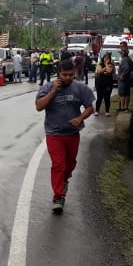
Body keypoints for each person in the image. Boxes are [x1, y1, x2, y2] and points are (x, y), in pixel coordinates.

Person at [35, 58, 95, 213]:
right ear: (58, 73)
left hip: (72, 134)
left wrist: (80, 118)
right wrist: (53, 91)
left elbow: (90, 108)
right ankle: (58, 197)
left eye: (71, 74)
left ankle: (64, 180)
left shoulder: (80, 88)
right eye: (65, 75)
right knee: (58, 165)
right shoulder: (47, 87)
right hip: (54, 134)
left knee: (69, 164)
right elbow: (39, 106)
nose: (68, 77)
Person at [93, 52, 116, 116]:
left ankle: (107, 111)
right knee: (99, 98)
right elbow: (99, 71)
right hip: (100, 83)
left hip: (108, 84)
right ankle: (97, 111)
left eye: (108, 58)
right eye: (105, 58)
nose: (106, 59)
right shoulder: (100, 64)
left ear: (110, 59)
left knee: (107, 98)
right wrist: (105, 68)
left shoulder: (111, 64)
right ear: (103, 58)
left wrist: (106, 65)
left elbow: (109, 71)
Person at [116, 40, 133, 112]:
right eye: (120, 47)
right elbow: (132, 66)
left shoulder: (128, 56)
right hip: (126, 78)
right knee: (126, 93)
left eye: (123, 46)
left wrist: (123, 74)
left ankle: (123, 107)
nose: (121, 48)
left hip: (124, 78)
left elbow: (130, 67)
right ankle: (124, 107)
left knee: (122, 93)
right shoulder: (126, 58)